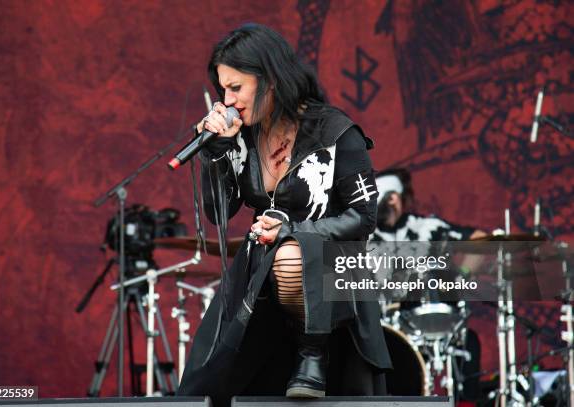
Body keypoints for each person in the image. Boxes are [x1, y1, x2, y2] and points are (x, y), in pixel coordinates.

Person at [176, 24, 391, 405]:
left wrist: (293, 230)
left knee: (292, 252)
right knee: (208, 389)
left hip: (329, 268)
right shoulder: (243, 135)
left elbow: (363, 217)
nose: (228, 100)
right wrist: (217, 152)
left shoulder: (335, 131)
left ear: (270, 80)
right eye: (223, 89)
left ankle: (314, 353)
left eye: (236, 88)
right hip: (259, 273)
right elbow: (220, 213)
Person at [371, 168, 484, 401]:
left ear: (395, 198)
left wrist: (461, 275)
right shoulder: (366, 237)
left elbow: (480, 238)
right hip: (386, 326)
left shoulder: (427, 227)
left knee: (467, 341)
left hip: (427, 316)